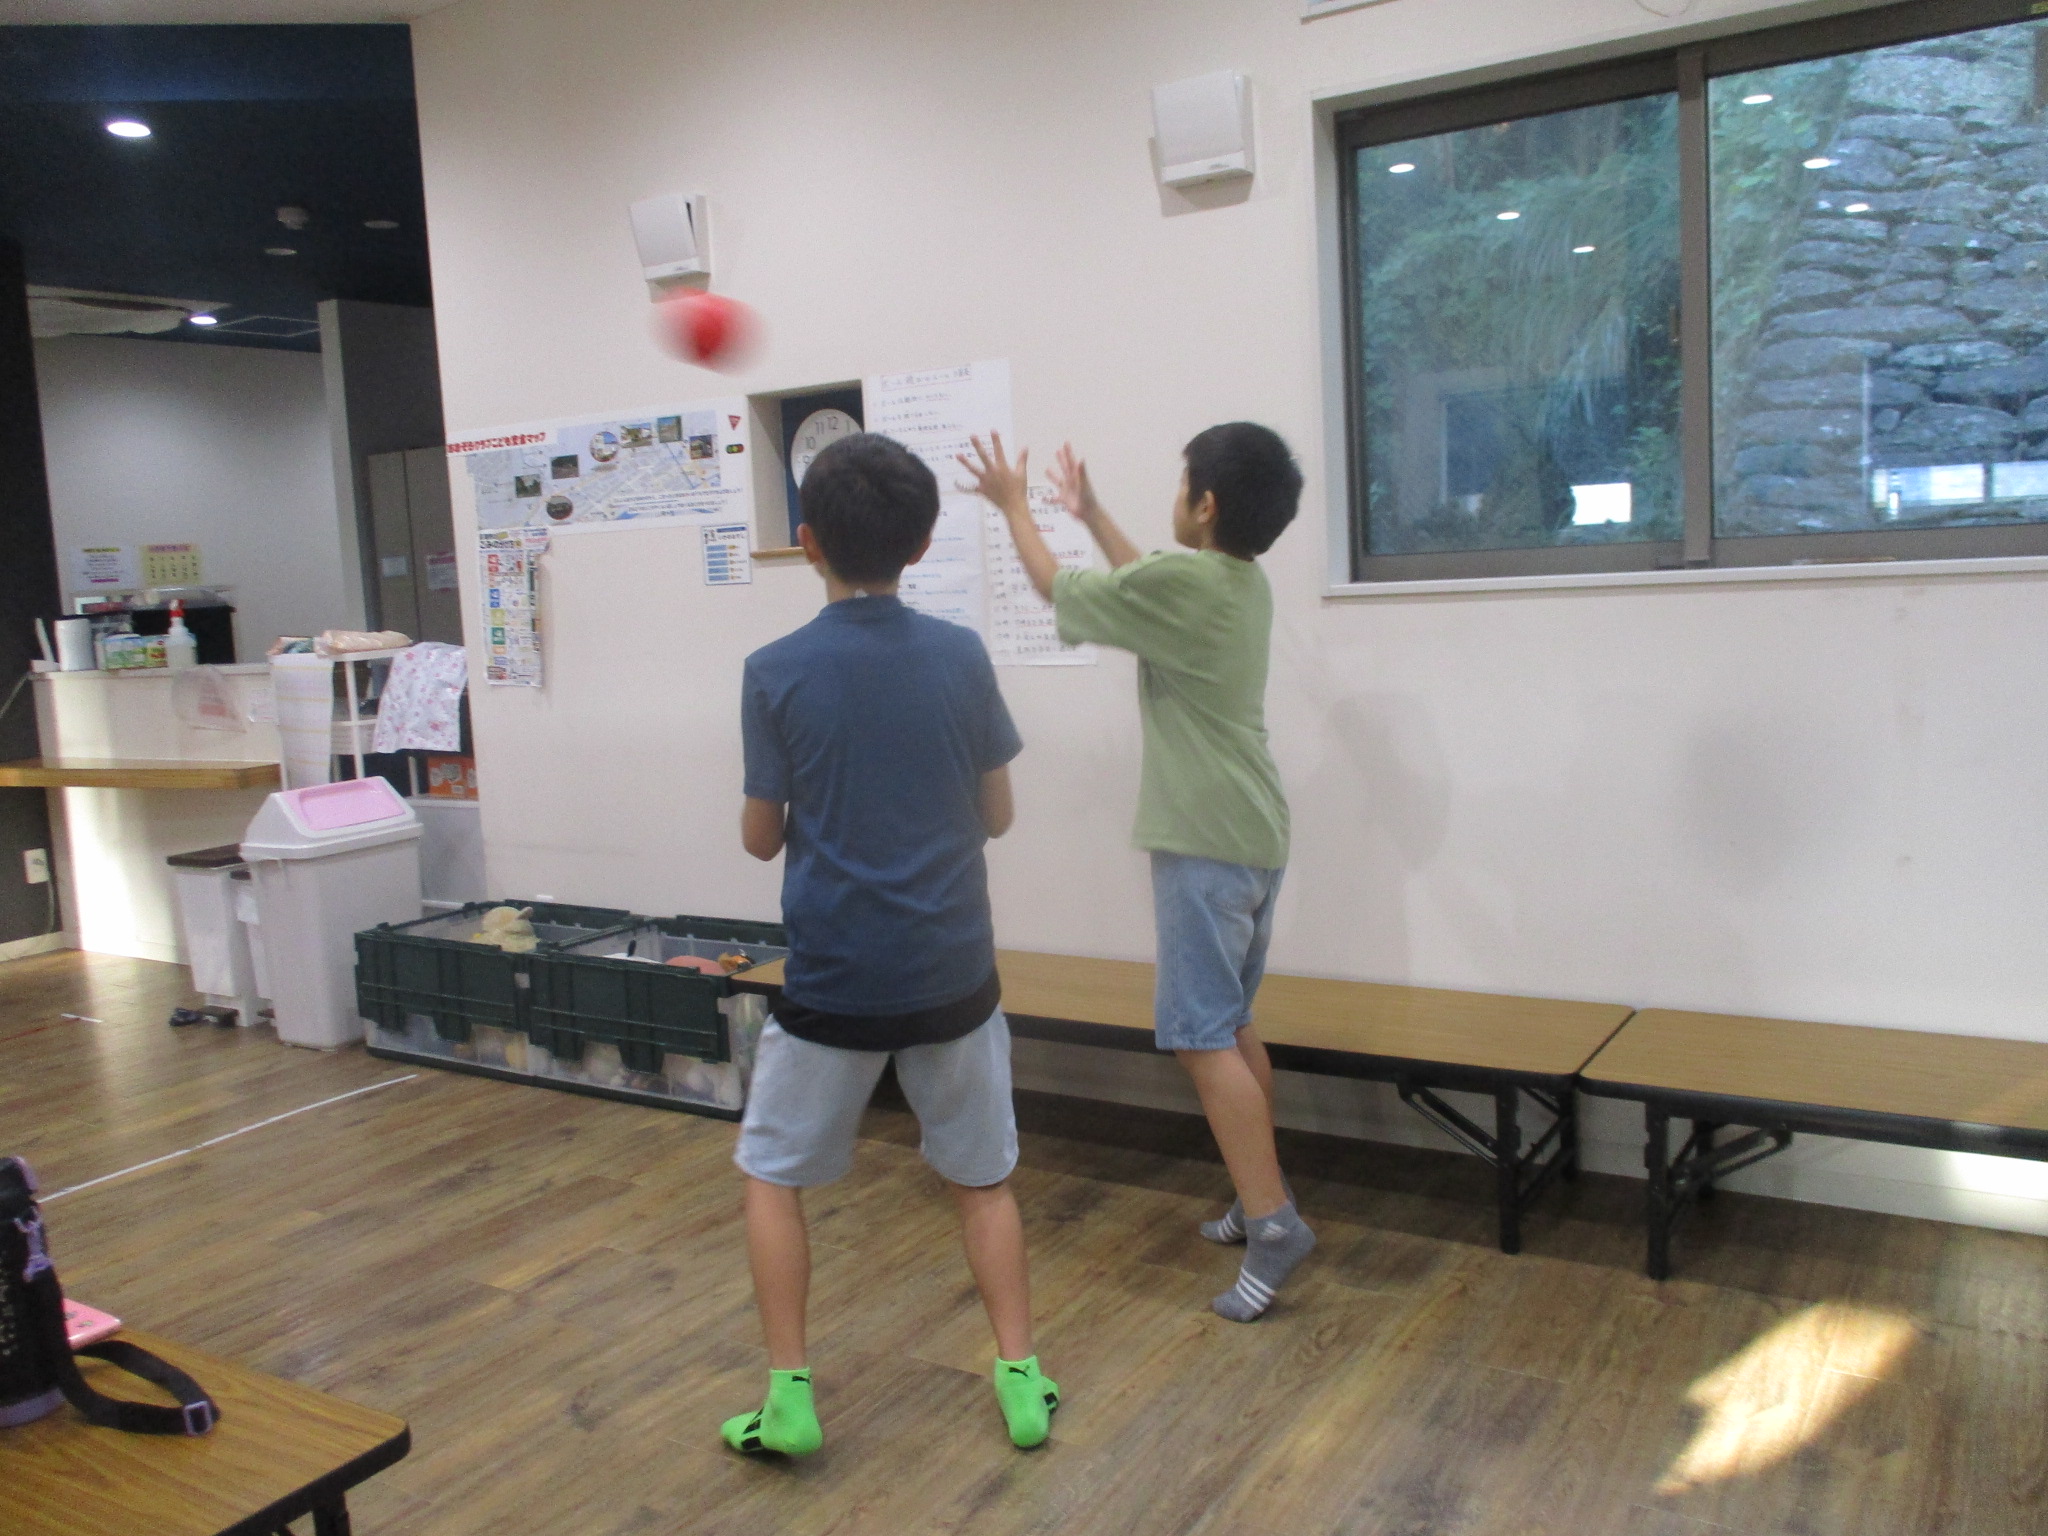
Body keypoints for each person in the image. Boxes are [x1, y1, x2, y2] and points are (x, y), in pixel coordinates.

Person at [724, 431, 1058, 1457]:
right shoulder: (960, 656)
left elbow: (760, 838)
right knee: (981, 1181)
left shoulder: (772, 670)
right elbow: (998, 816)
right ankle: (1020, 1377)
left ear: (808, 541)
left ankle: (788, 1398)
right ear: (919, 546)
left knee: (771, 1175)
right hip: (953, 972)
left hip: (832, 977)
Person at [958, 425, 1311, 1323]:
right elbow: (1145, 580)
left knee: (1199, 1035)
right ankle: (1256, 1191)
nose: (1177, 495)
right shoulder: (1239, 583)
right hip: (1254, 834)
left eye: (1184, 483)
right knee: (1231, 1025)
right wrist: (1092, 514)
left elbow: (1059, 587)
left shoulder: (1190, 584)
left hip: (1204, 840)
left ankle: (1273, 1220)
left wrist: (1014, 506)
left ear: (1206, 504)